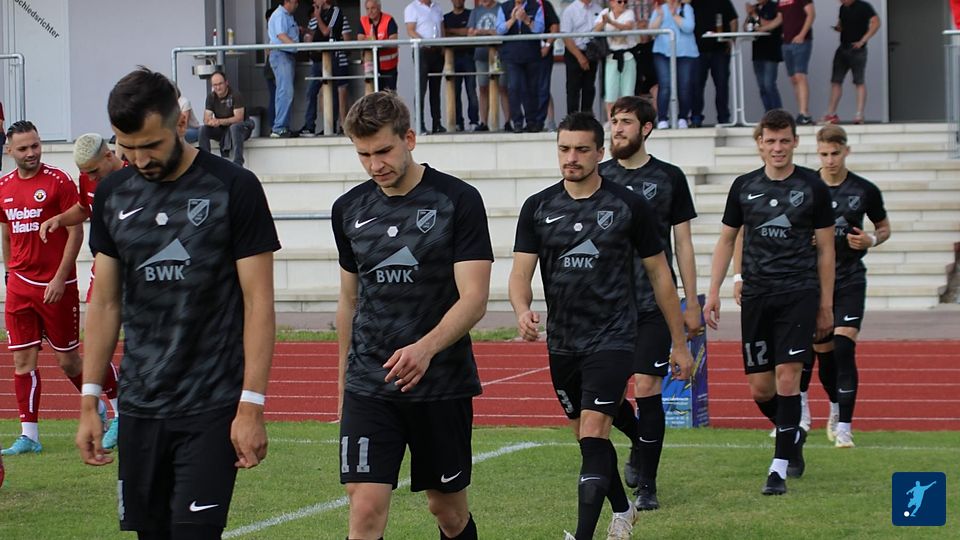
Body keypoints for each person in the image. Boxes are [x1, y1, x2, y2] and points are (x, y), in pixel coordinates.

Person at [75, 67, 280, 539]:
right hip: (140, 405)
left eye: (151, 145)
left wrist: (252, 404)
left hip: (211, 404)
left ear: (181, 122)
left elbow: (258, 302)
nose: (139, 159)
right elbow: (104, 303)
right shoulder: (112, 194)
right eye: (127, 147)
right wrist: (89, 400)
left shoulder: (234, 187)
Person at [509, 112, 693, 539]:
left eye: (581, 149)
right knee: (586, 438)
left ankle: (583, 535)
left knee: (593, 432)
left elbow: (660, 275)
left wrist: (679, 342)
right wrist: (522, 309)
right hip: (563, 341)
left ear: (600, 152)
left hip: (613, 337)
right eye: (564, 149)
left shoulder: (628, 205)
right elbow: (520, 273)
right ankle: (624, 510)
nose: (571, 158)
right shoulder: (537, 206)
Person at [332, 91, 492, 539]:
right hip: (370, 383)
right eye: (363, 155)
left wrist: (425, 349)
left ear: (409, 139)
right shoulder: (347, 209)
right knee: (365, 508)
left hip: (441, 384)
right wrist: (344, 381)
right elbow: (348, 300)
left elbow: (475, 298)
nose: (374, 164)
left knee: (447, 511)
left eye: (383, 151)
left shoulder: (458, 200)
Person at [703, 108, 835, 496]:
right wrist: (715, 290)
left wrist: (825, 303)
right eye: (771, 141)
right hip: (756, 296)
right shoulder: (744, 186)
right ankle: (791, 435)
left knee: (787, 376)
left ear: (795, 142)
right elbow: (727, 239)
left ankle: (778, 470)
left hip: (798, 292)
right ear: (760, 143)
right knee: (761, 389)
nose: (778, 148)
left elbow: (826, 249)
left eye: (784, 141)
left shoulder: (812, 186)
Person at [599, 97, 700, 511]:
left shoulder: (670, 177)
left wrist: (690, 301)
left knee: (646, 386)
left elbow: (684, 244)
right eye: (614, 121)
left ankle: (648, 486)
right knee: (606, 393)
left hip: (653, 303)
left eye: (626, 121)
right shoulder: (599, 175)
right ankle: (640, 442)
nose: (617, 128)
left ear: (646, 128)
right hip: (606, 305)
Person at [0, 121, 109, 456]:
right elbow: (6, 233)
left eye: (35, 145)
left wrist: (61, 277)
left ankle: (104, 407)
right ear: (10, 150)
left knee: (68, 361)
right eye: (23, 148)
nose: (31, 153)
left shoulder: (58, 180)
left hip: (55, 284)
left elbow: (75, 230)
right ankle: (29, 435)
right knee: (22, 360)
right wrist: (9, 272)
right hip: (20, 285)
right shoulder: (4, 186)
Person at [38, 133, 126, 449]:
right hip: (105, 269)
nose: (90, 177)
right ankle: (119, 414)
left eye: (93, 171)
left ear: (109, 156)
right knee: (97, 341)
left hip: (138, 272)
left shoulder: (136, 175)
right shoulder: (88, 178)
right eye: (85, 173)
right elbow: (84, 208)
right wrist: (59, 220)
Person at [809, 125, 889, 448]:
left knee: (844, 347)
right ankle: (833, 405)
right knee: (824, 356)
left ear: (846, 151)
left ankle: (845, 426)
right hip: (815, 281)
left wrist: (871, 239)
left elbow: (883, 228)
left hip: (850, 278)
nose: (830, 160)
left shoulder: (864, 189)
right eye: (824, 154)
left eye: (835, 153)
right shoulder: (807, 186)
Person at [821, 0, 880, 125]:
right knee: (836, 81)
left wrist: (863, 41)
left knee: (859, 81)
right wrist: (838, 28)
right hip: (843, 47)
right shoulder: (842, 8)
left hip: (857, 48)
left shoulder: (864, 6)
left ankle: (859, 114)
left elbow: (876, 23)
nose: (841, 1)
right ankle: (831, 114)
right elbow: (841, 24)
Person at [301, 0, 354, 136]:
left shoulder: (336, 12)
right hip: (317, 61)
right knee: (312, 92)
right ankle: (310, 126)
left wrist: (318, 16)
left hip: (335, 58)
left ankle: (338, 126)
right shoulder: (314, 19)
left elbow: (327, 32)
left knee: (336, 93)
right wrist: (306, 34)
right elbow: (311, 38)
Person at [496, 0, 546, 133]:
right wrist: (512, 19)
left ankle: (531, 121)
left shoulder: (535, 6)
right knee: (514, 87)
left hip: (531, 54)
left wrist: (526, 20)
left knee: (531, 89)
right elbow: (499, 30)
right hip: (511, 55)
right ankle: (517, 121)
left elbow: (540, 29)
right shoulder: (504, 7)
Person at [649, 0, 699, 129]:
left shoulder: (686, 8)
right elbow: (651, 31)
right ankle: (662, 119)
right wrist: (660, 16)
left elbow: (689, 27)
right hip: (662, 52)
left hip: (686, 53)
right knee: (665, 85)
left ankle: (683, 117)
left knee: (684, 87)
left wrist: (674, 15)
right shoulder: (660, 8)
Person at [690, 0, 738, 127]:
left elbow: (733, 19)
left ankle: (723, 118)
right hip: (697, 50)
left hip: (720, 50)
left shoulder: (723, 1)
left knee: (722, 85)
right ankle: (696, 117)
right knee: (696, 86)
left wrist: (732, 41)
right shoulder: (692, 2)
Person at [468, 0, 512, 131]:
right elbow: (470, 33)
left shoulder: (501, 8)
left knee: (503, 88)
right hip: (480, 55)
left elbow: (502, 31)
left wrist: (481, 31)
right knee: (483, 88)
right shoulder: (476, 11)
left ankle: (508, 121)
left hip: (500, 55)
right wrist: (488, 32)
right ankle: (484, 122)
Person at [406, 0, 447, 133]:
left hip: (437, 51)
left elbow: (442, 29)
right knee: (421, 88)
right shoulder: (412, 8)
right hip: (422, 51)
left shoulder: (437, 7)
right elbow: (410, 30)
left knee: (435, 89)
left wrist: (443, 46)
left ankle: (437, 123)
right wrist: (425, 41)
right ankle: (420, 124)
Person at [593, 0, 638, 123]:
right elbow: (595, 31)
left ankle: (627, 120)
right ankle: (612, 120)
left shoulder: (629, 13)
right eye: (619, 1)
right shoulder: (605, 12)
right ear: (612, 2)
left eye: (625, 1)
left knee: (628, 93)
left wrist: (611, 22)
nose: (623, 4)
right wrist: (603, 22)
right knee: (610, 93)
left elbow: (628, 26)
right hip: (611, 57)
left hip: (627, 55)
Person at [199, 71, 255, 167]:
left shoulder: (235, 95)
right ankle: (205, 163)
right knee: (202, 129)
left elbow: (239, 118)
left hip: (241, 129)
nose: (218, 87)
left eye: (220, 84)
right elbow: (206, 119)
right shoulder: (211, 97)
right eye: (215, 85)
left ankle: (238, 162)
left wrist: (219, 121)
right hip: (222, 129)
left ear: (226, 83)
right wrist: (211, 122)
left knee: (234, 127)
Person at [561, 0, 602, 116]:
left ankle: (586, 118)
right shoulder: (570, 10)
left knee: (589, 87)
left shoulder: (598, 9)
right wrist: (580, 57)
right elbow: (566, 37)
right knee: (573, 88)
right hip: (574, 52)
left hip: (591, 51)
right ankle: (572, 119)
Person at [777, 0, 815, 125]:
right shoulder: (780, 1)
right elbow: (779, 19)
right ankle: (802, 112)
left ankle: (804, 113)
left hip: (801, 42)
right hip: (786, 42)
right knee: (793, 78)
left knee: (800, 75)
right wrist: (762, 28)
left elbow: (811, 14)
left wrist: (802, 35)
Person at [444, 0, 481, 132]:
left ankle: (474, 121)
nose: (458, 1)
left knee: (471, 91)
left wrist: (452, 31)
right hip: (452, 57)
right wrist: (461, 32)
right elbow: (444, 34)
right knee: (455, 92)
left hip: (469, 56)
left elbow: (469, 31)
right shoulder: (446, 17)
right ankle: (458, 122)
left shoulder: (471, 14)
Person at [268, 0, 301, 138]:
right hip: (281, 54)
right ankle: (279, 127)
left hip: (286, 55)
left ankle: (282, 126)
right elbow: (281, 35)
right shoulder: (280, 15)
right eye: (295, 2)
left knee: (283, 91)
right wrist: (297, 47)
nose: (297, 4)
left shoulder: (288, 16)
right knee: (285, 91)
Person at [745, 0, 783, 112]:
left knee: (769, 84)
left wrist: (754, 15)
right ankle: (768, 113)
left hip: (771, 52)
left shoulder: (774, 7)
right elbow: (746, 27)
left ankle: (778, 114)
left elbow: (769, 24)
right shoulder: (755, 8)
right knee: (762, 86)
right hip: (757, 52)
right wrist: (749, 15)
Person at [358, 0, 400, 91]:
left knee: (389, 95)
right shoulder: (363, 20)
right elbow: (360, 39)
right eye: (367, 9)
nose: (370, 11)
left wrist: (375, 42)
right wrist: (374, 41)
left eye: (373, 8)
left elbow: (393, 41)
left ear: (379, 8)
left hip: (389, 67)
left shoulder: (389, 20)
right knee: (372, 94)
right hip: (371, 66)